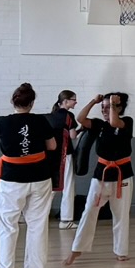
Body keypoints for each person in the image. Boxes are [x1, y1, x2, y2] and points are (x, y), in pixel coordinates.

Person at [0, 82, 59, 268]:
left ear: (13, 101)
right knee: (37, 224)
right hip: (40, 178)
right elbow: (52, 146)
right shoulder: (42, 121)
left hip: (12, 180)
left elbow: (4, 141)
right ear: (32, 103)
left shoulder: (2, 122)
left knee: (8, 225)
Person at [66, 91, 134, 264]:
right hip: (101, 176)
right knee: (89, 211)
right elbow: (81, 118)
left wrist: (112, 105)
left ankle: (121, 251)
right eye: (102, 107)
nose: (104, 110)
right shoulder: (98, 125)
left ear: (119, 107)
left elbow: (114, 121)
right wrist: (93, 102)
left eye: (108, 107)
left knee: (120, 215)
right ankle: (77, 249)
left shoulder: (127, 122)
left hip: (123, 176)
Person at [47, 89, 80, 226]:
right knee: (67, 187)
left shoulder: (51, 115)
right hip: (65, 154)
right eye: (73, 99)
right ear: (65, 101)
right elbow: (73, 136)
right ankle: (66, 220)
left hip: (52, 155)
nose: (76, 102)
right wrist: (81, 129)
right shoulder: (68, 116)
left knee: (52, 186)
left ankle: (35, 215)